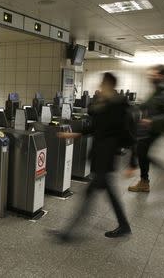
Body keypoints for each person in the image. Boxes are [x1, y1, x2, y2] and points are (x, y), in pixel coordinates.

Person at [56, 72, 131, 240]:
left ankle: (67, 233)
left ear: (109, 85)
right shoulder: (106, 104)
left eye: (102, 84)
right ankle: (124, 226)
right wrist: (74, 134)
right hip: (100, 155)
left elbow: (126, 133)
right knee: (108, 194)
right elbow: (95, 125)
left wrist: (132, 164)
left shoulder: (119, 106)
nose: (100, 87)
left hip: (106, 156)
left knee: (88, 196)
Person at [126, 65, 164, 192]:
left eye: (153, 75)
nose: (150, 77)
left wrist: (151, 120)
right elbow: (147, 104)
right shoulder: (159, 89)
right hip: (151, 126)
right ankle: (146, 181)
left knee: (142, 151)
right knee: (142, 151)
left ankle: (148, 180)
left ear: (161, 75)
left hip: (157, 127)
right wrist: (132, 109)